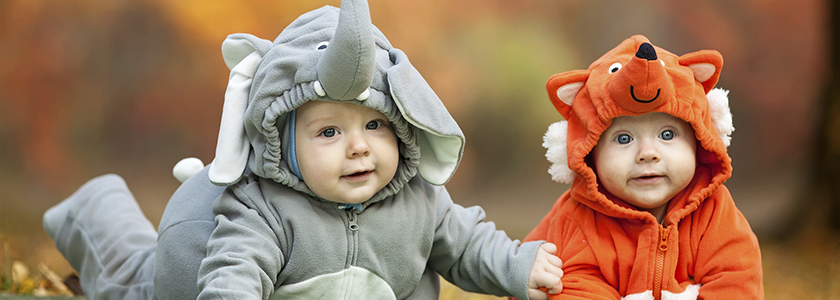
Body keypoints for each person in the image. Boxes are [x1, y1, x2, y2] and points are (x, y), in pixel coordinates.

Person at [42, 1, 563, 299]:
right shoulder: (261, 207)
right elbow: (234, 273)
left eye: (376, 124)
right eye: (329, 133)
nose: (358, 147)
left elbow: (470, 245)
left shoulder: (420, 200)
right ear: (285, 144)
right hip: (189, 275)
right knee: (129, 282)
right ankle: (95, 210)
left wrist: (519, 267)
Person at [523, 35, 763, 299]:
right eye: (624, 138)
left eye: (668, 134)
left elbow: (737, 279)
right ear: (591, 155)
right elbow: (576, 287)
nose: (647, 154)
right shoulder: (578, 219)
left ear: (699, 142)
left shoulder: (715, 213)